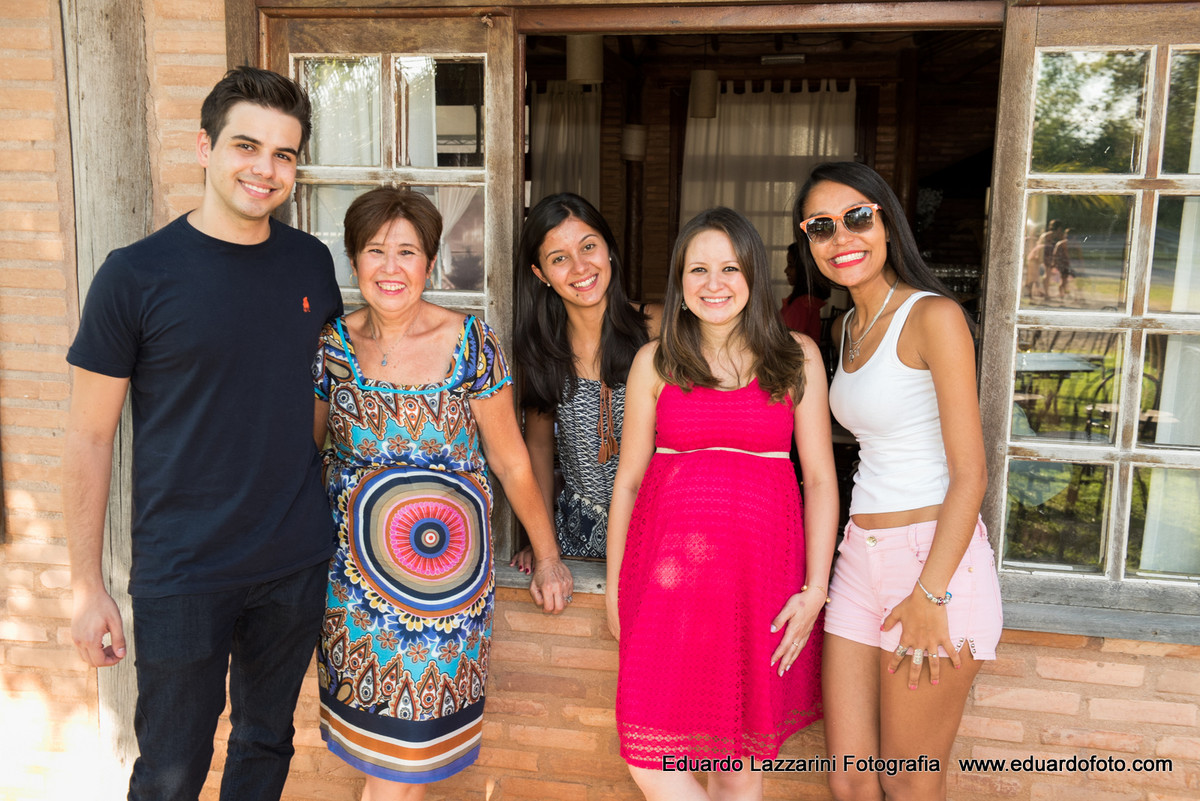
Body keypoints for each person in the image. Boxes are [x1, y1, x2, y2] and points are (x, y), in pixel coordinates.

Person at [64, 67, 342, 800]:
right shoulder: (134, 276)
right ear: (204, 147)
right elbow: (90, 438)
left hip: (293, 561)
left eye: (284, 154)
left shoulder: (309, 262)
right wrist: (86, 585)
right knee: (170, 766)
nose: (266, 168)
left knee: (264, 742)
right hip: (184, 568)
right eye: (247, 145)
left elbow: (319, 389)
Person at [313, 187, 573, 799]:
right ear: (354, 262)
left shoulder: (471, 343)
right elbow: (306, 454)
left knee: (407, 761)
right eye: (375, 251)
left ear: (429, 263)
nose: (391, 267)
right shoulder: (332, 347)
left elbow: (512, 462)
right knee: (383, 758)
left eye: (407, 251)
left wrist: (551, 554)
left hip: (446, 585)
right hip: (352, 585)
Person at [607, 207, 838, 801]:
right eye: (698, 270)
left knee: (741, 763)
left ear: (754, 277)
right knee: (650, 755)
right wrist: (614, 590)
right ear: (679, 284)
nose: (714, 284)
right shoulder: (653, 362)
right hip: (665, 589)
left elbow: (818, 477)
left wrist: (815, 589)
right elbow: (628, 482)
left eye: (730, 268)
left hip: (761, 585)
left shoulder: (798, 356)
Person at [792, 161, 1002, 801]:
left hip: (934, 562)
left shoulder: (932, 316)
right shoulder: (846, 327)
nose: (841, 237)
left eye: (857, 217)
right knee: (850, 781)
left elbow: (972, 475)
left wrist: (930, 593)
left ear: (887, 221)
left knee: (907, 780)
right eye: (820, 227)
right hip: (860, 556)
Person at [510, 193, 661, 571]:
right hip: (578, 537)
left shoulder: (656, 327)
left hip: (658, 532)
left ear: (608, 248)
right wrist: (541, 544)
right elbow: (539, 450)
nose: (580, 267)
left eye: (588, 247)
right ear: (540, 274)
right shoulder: (542, 348)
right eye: (559, 258)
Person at [780, 240, 829, 342]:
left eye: (790, 265)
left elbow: (788, 343)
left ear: (803, 270)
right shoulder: (803, 302)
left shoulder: (802, 305)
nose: (786, 270)